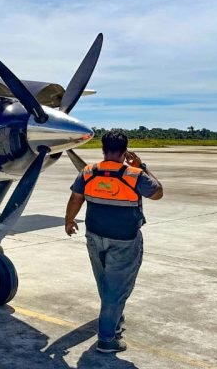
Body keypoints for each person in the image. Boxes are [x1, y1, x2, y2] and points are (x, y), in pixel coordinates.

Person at [65, 130, 164, 353]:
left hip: (94, 237)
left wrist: (69, 221)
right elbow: (158, 193)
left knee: (105, 285)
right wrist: (143, 166)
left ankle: (115, 323)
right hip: (124, 241)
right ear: (125, 150)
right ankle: (107, 339)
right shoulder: (134, 174)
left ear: (103, 149)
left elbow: (75, 198)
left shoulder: (88, 172)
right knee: (116, 291)